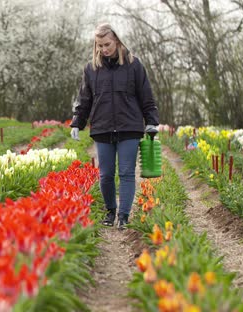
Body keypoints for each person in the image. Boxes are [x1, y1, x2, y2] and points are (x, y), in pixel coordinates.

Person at [70, 23, 159, 230]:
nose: (103, 49)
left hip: (129, 126)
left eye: (107, 44)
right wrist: (77, 122)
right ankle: (111, 211)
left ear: (117, 41)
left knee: (127, 172)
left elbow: (146, 96)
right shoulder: (91, 69)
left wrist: (152, 121)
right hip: (103, 127)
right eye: (99, 45)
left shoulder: (134, 65)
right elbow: (84, 99)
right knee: (106, 174)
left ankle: (124, 216)